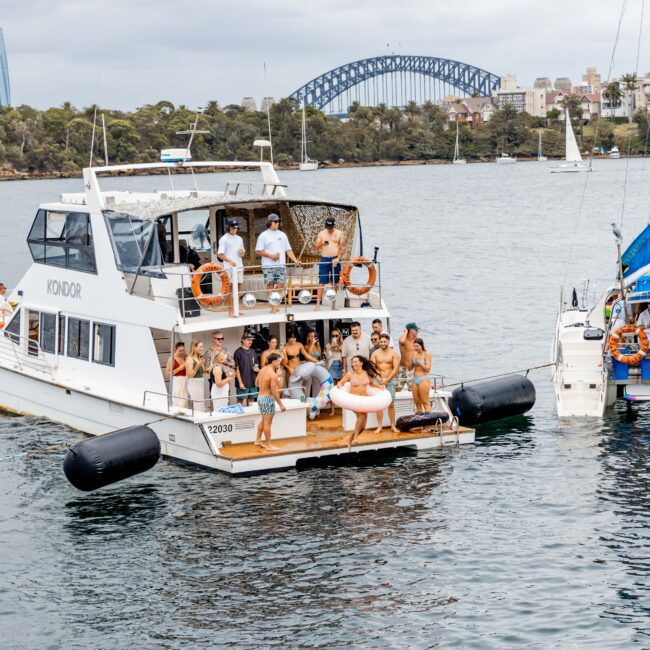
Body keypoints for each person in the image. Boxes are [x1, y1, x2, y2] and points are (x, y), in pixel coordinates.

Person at [255, 214, 302, 313]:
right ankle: (273, 306)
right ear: (269, 222)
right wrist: (271, 256)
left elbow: (288, 250)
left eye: (278, 221)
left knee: (281, 285)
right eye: (275, 221)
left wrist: (295, 260)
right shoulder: (263, 235)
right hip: (268, 265)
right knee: (270, 285)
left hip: (281, 265)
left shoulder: (282, 235)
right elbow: (258, 251)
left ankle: (275, 301)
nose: (277, 223)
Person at [337, 355, 384, 452]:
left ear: (361, 363)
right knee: (361, 416)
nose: (354, 364)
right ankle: (355, 438)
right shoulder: (349, 374)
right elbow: (341, 382)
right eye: (353, 362)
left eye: (356, 362)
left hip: (364, 401)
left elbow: (371, 383)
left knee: (363, 427)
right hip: (354, 401)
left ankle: (349, 439)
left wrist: (379, 387)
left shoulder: (366, 373)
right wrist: (339, 385)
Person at [255, 352, 286, 451]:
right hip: (267, 399)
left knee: (264, 420)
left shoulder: (262, 370)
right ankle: (269, 445)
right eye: (278, 361)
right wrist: (281, 404)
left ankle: (258, 440)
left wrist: (263, 385)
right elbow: (275, 391)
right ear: (273, 361)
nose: (279, 363)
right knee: (268, 423)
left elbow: (256, 383)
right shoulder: (273, 374)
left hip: (260, 397)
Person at [314, 216, 346, 310]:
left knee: (335, 282)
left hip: (335, 259)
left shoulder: (339, 233)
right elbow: (316, 246)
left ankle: (333, 304)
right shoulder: (322, 233)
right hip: (324, 259)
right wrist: (322, 244)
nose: (329, 230)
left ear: (334, 225)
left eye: (331, 228)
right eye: (328, 227)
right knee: (322, 282)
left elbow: (343, 247)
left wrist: (338, 258)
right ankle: (317, 305)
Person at [371, 333, 401, 433]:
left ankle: (393, 425)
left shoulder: (394, 354)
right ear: (379, 341)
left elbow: (396, 368)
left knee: (391, 404)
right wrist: (379, 379)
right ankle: (379, 426)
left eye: (385, 341)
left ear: (388, 342)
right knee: (379, 404)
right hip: (378, 380)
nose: (383, 343)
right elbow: (373, 368)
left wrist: (387, 380)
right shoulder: (375, 353)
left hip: (390, 380)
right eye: (381, 341)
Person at [217, 219, 246, 316]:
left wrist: (242, 253)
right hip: (229, 268)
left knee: (238, 289)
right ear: (228, 228)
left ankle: (236, 309)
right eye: (233, 228)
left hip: (239, 267)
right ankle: (230, 311)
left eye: (236, 228)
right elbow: (220, 255)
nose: (235, 230)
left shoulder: (239, 238)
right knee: (230, 290)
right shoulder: (224, 239)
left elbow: (242, 251)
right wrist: (230, 261)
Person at [203, 330, 236, 404]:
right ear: (213, 339)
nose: (220, 340)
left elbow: (233, 364)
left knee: (226, 399)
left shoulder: (226, 351)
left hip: (226, 378)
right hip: (215, 379)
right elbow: (206, 368)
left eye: (222, 338)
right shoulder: (209, 352)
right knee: (215, 400)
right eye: (218, 339)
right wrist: (216, 366)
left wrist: (223, 361)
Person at [234, 333, 259, 406]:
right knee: (240, 400)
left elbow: (256, 365)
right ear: (242, 340)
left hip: (252, 381)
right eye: (248, 340)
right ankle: (237, 416)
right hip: (243, 382)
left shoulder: (253, 351)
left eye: (251, 340)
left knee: (251, 400)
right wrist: (240, 383)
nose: (250, 341)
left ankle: (250, 416)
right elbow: (236, 369)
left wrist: (257, 369)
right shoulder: (238, 352)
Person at [185, 340, 209, 408]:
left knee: (201, 404)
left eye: (202, 346)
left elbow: (202, 371)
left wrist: (208, 370)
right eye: (200, 347)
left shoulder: (199, 357)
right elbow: (190, 375)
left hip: (200, 384)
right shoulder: (189, 359)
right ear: (194, 347)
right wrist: (198, 364)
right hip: (194, 384)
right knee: (197, 405)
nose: (202, 348)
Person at [410, 337, 432, 413]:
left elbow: (428, 369)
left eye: (417, 346)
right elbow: (410, 367)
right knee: (417, 403)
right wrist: (410, 360)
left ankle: (428, 423)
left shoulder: (426, 354)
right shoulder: (413, 354)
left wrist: (419, 362)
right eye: (414, 346)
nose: (415, 348)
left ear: (421, 346)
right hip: (414, 379)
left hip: (423, 379)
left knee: (425, 402)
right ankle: (420, 423)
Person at [325, 328, 343, 415]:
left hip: (340, 365)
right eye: (333, 336)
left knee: (341, 387)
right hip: (332, 365)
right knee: (333, 388)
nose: (335, 337)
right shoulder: (328, 345)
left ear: (339, 335)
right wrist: (331, 349)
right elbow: (328, 358)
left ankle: (343, 407)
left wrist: (339, 348)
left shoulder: (343, 344)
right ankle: (332, 410)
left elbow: (344, 355)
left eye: (336, 335)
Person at [397, 322, 419, 389]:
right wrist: (406, 331)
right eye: (416, 330)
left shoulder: (416, 340)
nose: (417, 331)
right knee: (398, 388)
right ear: (411, 330)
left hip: (413, 369)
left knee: (413, 389)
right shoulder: (403, 339)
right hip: (402, 369)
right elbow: (401, 341)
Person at [165, 341, 187, 406]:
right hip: (177, 381)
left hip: (186, 380)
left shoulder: (185, 357)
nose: (182, 352)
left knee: (185, 399)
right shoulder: (171, 359)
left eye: (183, 350)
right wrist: (179, 368)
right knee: (177, 400)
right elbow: (167, 374)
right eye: (180, 351)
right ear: (175, 349)